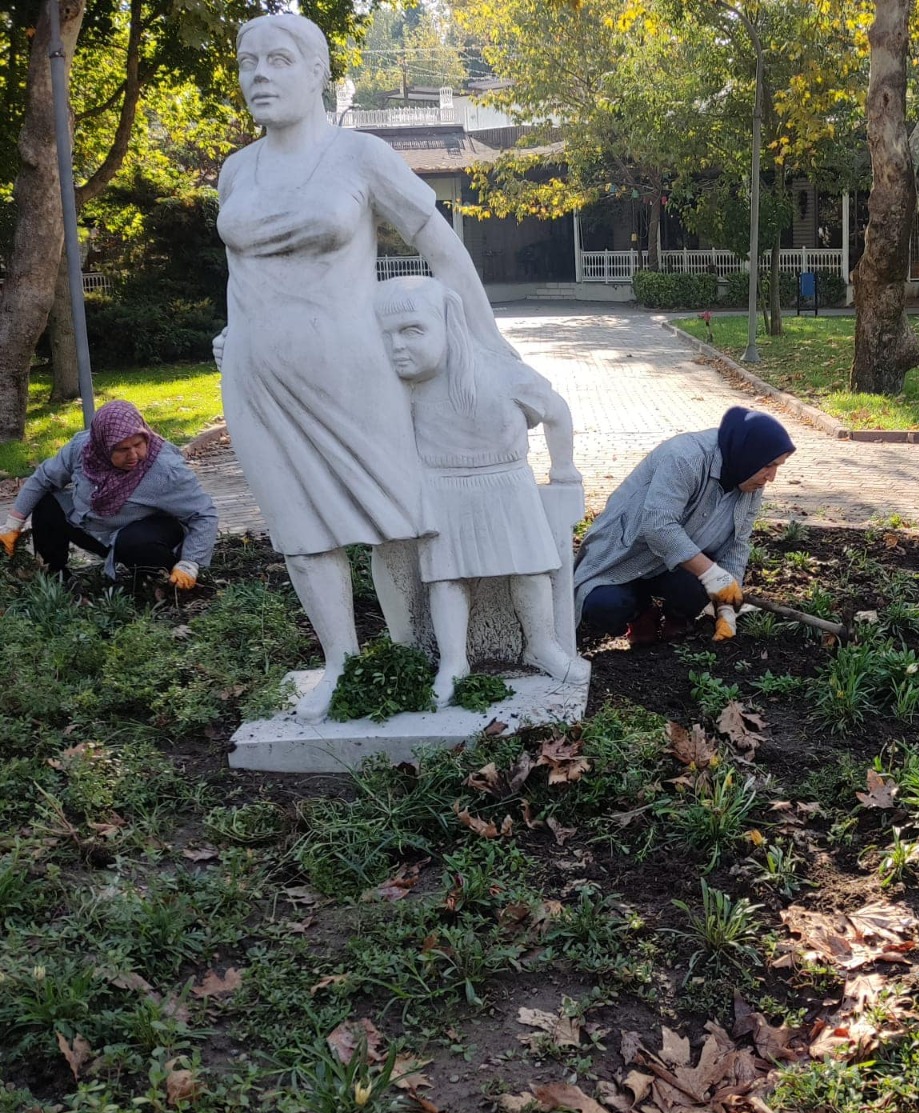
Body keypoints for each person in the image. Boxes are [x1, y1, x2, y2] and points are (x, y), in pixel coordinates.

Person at [215, 12, 513, 719]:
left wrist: (484, 342)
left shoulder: (360, 156)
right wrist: (233, 332)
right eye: (248, 61)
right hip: (257, 375)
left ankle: (431, 653)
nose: (259, 75)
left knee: (404, 516)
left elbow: (440, 244)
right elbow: (236, 269)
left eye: (279, 60)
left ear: (318, 73)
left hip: (353, 370)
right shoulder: (237, 171)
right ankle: (342, 665)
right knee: (298, 528)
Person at [375, 275, 588, 704]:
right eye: (386, 335)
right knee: (447, 577)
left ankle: (542, 644)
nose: (396, 345)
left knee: (530, 569)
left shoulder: (501, 373)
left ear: (449, 325)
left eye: (412, 330)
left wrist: (563, 470)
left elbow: (557, 412)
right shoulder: (395, 389)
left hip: (508, 483)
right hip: (440, 488)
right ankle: (454, 661)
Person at [574, 406, 794, 645]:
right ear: (749, 455)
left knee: (696, 588)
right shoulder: (685, 458)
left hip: (674, 567)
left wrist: (727, 610)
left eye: (777, 467)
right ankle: (640, 614)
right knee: (603, 606)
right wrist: (713, 576)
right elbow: (658, 526)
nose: (772, 477)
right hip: (625, 556)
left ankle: (677, 617)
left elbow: (737, 544)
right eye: (769, 465)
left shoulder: (750, 481)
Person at [0, 400, 217, 588]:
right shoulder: (82, 450)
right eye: (122, 449)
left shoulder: (165, 470)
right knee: (47, 502)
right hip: (95, 527)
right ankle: (56, 576)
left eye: (138, 444)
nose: (133, 455)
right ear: (102, 447)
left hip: (147, 533)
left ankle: (157, 580)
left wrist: (190, 563)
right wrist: (12, 524)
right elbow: (43, 478)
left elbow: (204, 514)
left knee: (133, 542)